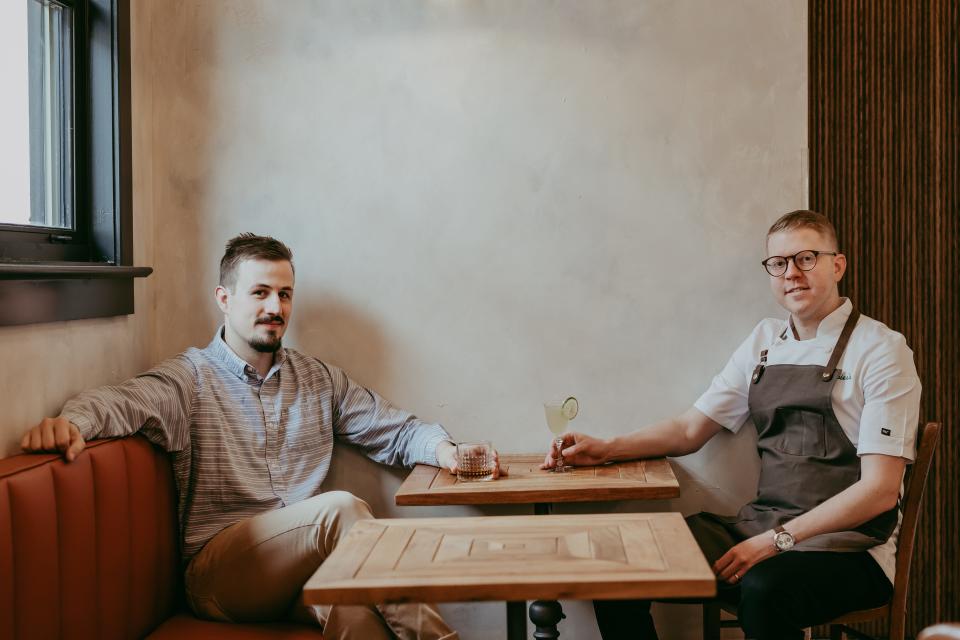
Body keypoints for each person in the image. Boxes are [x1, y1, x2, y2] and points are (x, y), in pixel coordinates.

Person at [20, 233, 494, 640]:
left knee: (353, 611)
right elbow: (121, 401)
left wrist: (446, 450)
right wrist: (73, 423)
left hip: (302, 572)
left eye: (285, 294)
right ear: (224, 299)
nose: (275, 307)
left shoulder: (317, 379)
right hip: (221, 576)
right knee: (342, 508)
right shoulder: (191, 379)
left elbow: (395, 428)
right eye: (260, 293)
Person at [542, 210, 921, 640]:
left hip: (851, 549)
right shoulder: (763, 341)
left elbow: (880, 491)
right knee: (624, 560)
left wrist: (775, 542)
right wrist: (607, 448)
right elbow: (689, 430)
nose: (791, 273)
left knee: (763, 590)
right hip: (761, 525)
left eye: (806, 258)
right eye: (778, 263)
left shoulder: (882, 351)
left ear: (838, 265)